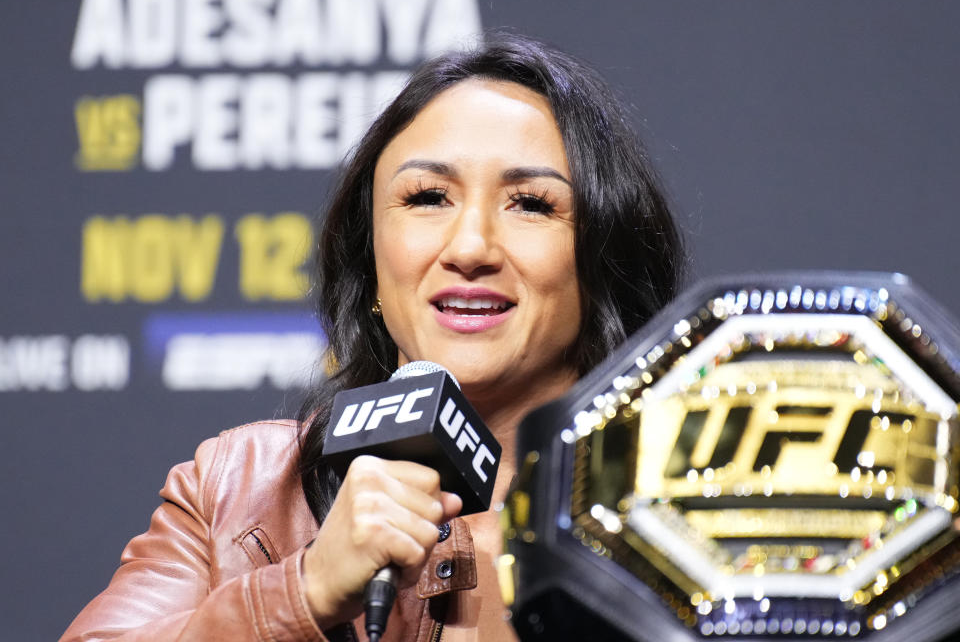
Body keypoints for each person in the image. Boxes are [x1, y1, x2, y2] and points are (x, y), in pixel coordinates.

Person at [60, 33, 685, 642]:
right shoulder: (238, 488)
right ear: (372, 257)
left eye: (529, 203)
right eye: (428, 197)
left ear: (603, 253)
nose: (470, 248)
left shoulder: (696, 499)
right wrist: (302, 592)